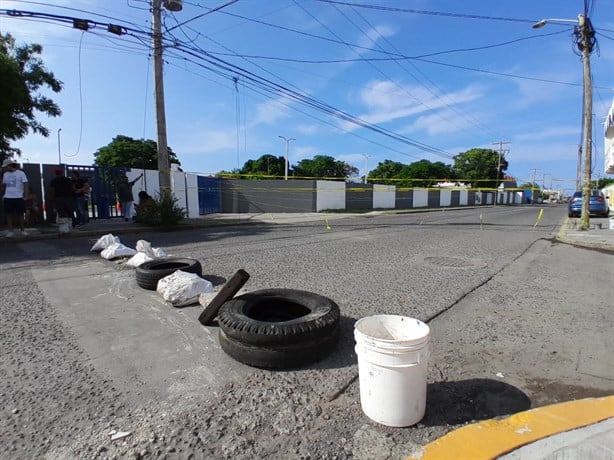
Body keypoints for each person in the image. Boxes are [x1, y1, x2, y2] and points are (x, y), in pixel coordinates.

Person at [1, 159, 29, 237]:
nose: (5, 168)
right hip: (8, 197)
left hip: (18, 196)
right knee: (8, 214)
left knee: (20, 214)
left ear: (9, 166)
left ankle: (22, 230)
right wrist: (4, 194)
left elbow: (25, 184)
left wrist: (26, 195)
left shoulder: (21, 173)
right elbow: (4, 186)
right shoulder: (5, 174)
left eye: (6, 167)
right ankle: (11, 231)